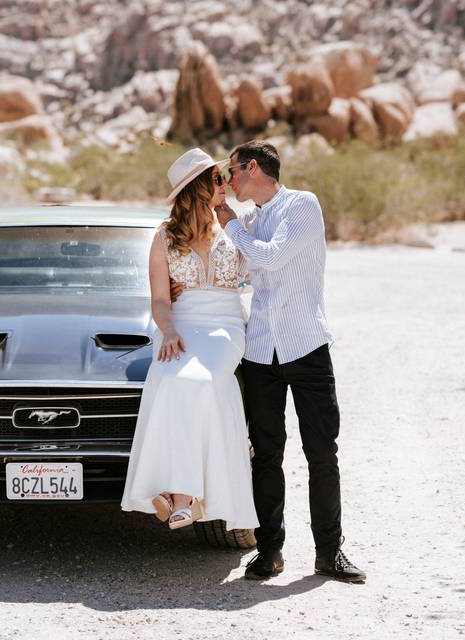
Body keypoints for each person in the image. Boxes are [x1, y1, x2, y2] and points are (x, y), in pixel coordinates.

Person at [213, 140, 366, 583]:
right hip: (260, 352)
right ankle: (269, 552)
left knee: (322, 453)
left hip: (307, 347)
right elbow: (242, 275)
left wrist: (229, 222)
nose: (229, 181)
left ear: (253, 168)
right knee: (266, 456)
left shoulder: (302, 206)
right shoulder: (250, 221)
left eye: (232, 172)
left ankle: (329, 553)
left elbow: (270, 257)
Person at [121, 148, 259, 532]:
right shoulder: (164, 237)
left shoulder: (236, 226)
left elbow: (263, 267)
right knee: (169, 379)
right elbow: (160, 300)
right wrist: (169, 331)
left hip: (226, 325)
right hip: (181, 324)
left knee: (201, 380)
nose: (226, 184)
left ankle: (180, 494)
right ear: (198, 188)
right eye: (217, 179)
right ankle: (182, 499)